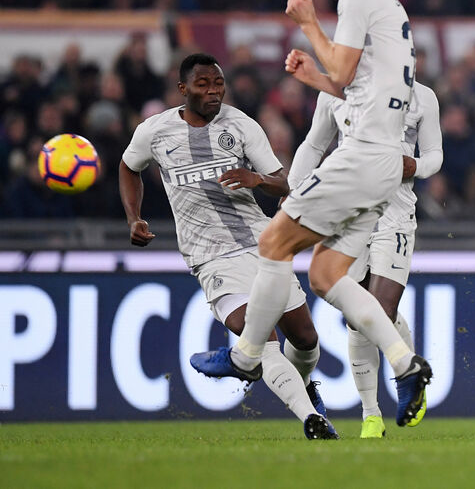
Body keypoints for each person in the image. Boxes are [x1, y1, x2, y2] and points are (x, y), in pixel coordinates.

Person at [190, 0, 433, 428]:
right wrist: (313, 78)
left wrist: (307, 23)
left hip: (363, 156)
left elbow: (343, 71)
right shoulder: (390, 6)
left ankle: (246, 355)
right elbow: (355, 86)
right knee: (325, 276)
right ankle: (406, 364)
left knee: (274, 242)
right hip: (384, 164)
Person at [119, 53, 337, 439]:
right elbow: (128, 166)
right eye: (203, 85)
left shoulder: (241, 125)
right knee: (260, 338)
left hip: (263, 245)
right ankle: (311, 419)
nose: (214, 91)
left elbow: (283, 181)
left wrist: (255, 178)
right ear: (183, 89)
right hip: (211, 256)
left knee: (306, 339)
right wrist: (133, 216)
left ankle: (302, 387)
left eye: (218, 84)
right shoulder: (154, 131)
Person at [286, 50, 443, 438]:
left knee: (380, 308)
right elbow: (312, 145)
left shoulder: (422, 97)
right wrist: (296, 192)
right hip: (350, 209)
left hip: (396, 213)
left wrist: (416, 167)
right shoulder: (335, 93)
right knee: (359, 316)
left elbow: (435, 156)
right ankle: (371, 413)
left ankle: (407, 375)